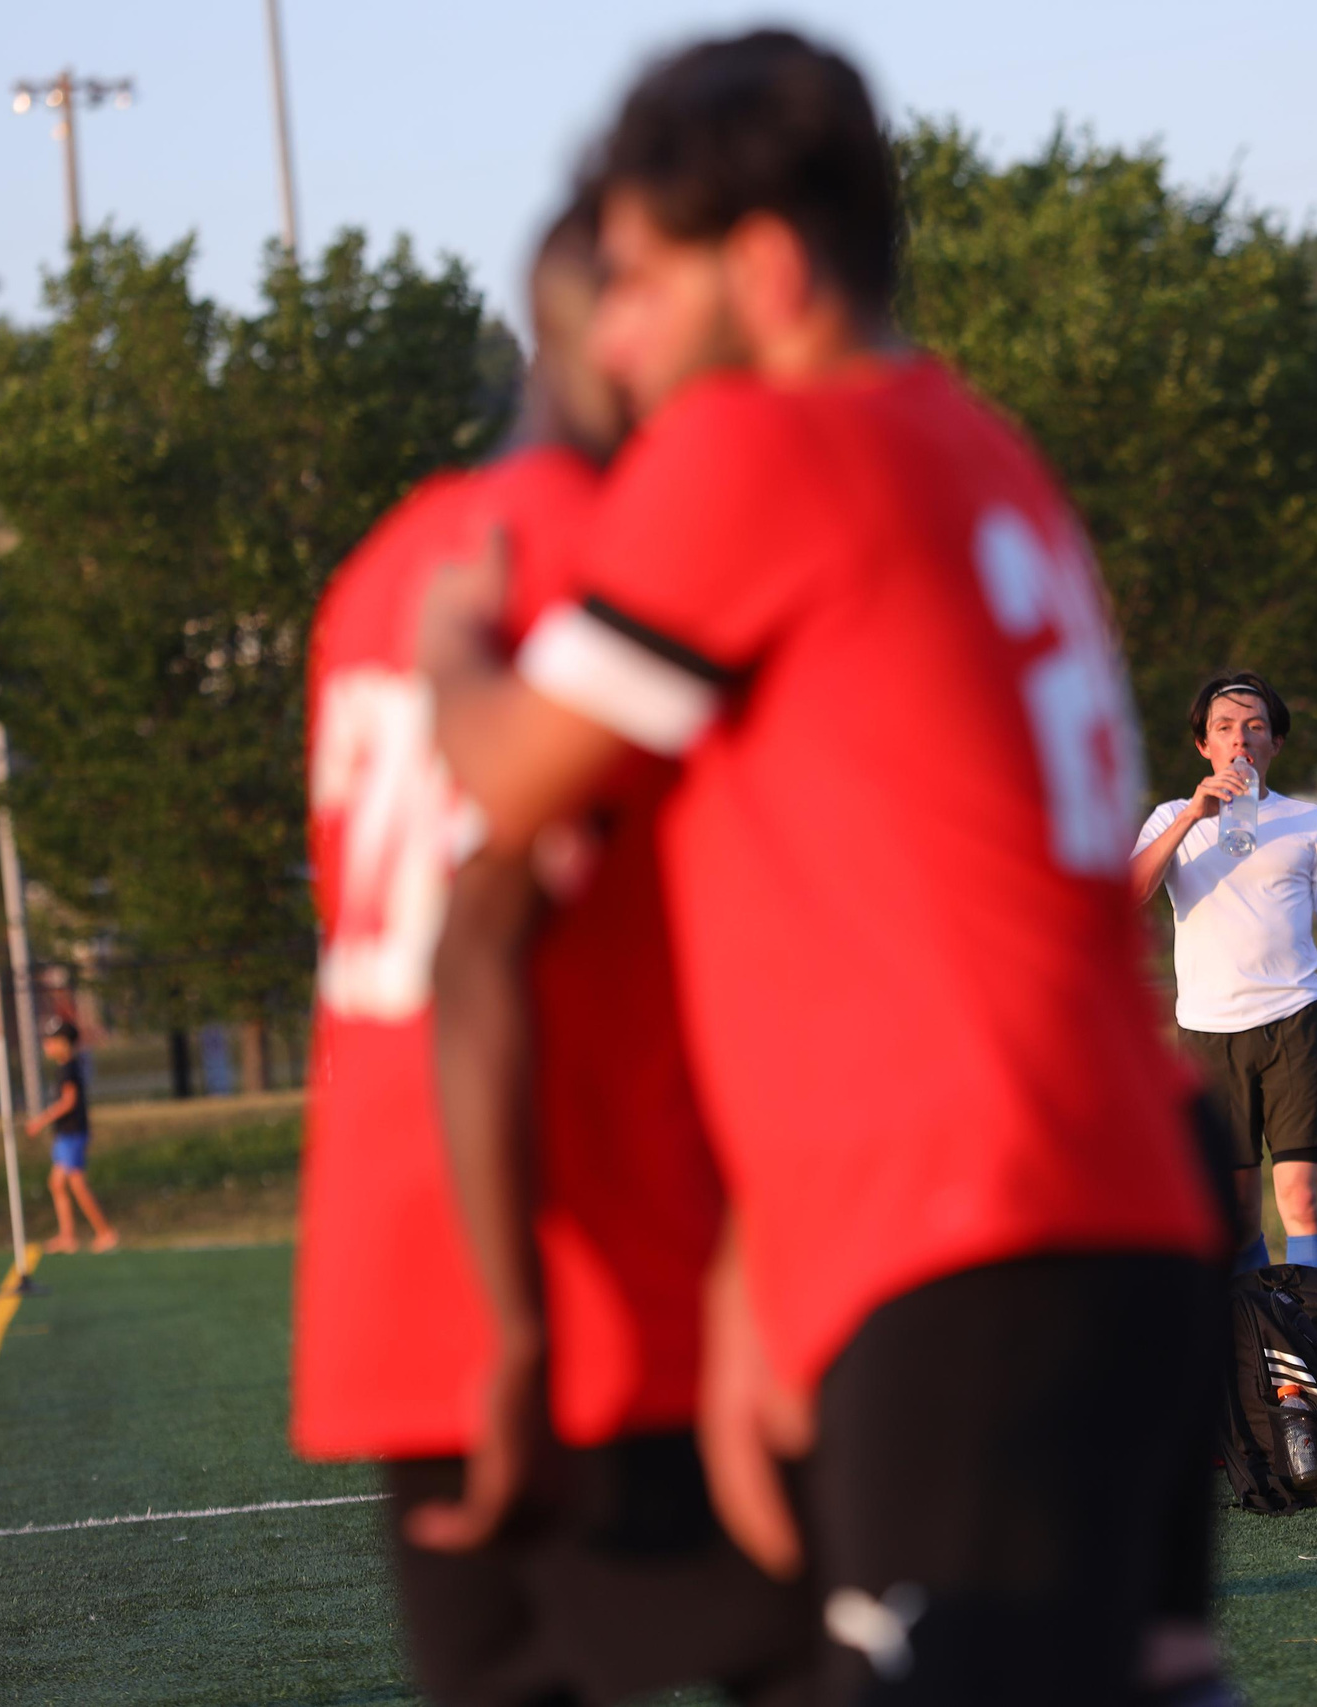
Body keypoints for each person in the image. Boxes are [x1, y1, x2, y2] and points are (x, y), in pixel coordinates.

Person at [419, 33, 1228, 1703]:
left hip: (978, 1227)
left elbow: (503, 776)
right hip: (1126, 1193)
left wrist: (450, 643)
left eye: (639, 277)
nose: (613, 332)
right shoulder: (978, 447)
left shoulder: (759, 451)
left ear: (769, 266)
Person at [296, 210, 810, 1706]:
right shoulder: (629, 552)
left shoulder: (385, 567)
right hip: (604, 1264)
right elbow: (485, 944)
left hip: (405, 1275)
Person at [1131, 671, 1317, 1274]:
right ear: (1204, 745)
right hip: (1208, 1034)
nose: (1240, 739)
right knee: (1239, 1213)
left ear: (1275, 743)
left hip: (1293, 1027)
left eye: (1255, 727)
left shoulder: (1311, 823)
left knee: (1301, 1198)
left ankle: (1313, 1349)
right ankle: (1257, 1351)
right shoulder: (1173, 818)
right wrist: (1195, 813)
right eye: (1224, 728)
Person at [25, 1020, 117, 1254]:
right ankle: (68, 1236)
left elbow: (69, 1101)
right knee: (57, 1184)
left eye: (51, 1041)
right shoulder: (63, 1067)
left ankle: (105, 1232)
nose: (46, 1045)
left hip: (73, 1134)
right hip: (67, 1134)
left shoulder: (69, 1068)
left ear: (64, 1044)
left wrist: (41, 1120)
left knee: (76, 1184)